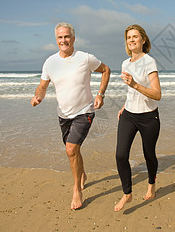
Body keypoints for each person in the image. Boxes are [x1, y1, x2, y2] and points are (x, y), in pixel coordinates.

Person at [31, 22, 111, 210]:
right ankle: (82, 175)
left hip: (85, 111)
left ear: (73, 39)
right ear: (56, 40)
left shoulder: (85, 58)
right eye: (60, 37)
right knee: (73, 151)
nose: (63, 40)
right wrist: (38, 96)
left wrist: (100, 94)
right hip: (63, 114)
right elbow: (43, 85)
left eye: (67, 36)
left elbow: (106, 70)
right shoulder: (50, 62)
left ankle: (77, 190)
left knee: (71, 150)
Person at [114, 24, 161, 211]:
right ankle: (127, 193)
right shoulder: (125, 64)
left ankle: (151, 184)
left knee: (149, 154)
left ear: (143, 40)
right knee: (120, 155)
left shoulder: (150, 61)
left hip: (149, 117)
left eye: (135, 36)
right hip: (129, 115)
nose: (131, 40)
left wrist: (134, 84)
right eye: (128, 37)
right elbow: (130, 91)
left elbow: (157, 94)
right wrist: (124, 106)